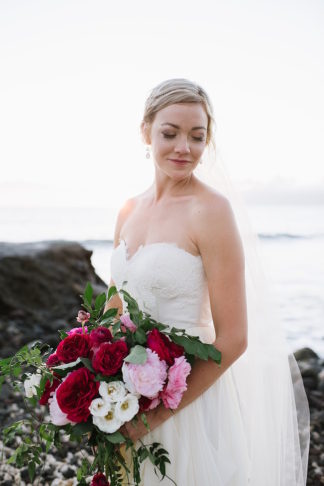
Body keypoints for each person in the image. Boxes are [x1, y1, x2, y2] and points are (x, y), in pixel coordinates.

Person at [105, 79, 310, 485]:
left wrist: (157, 415)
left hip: (190, 407)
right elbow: (115, 309)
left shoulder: (212, 211)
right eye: (170, 133)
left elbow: (233, 339)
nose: (184, 147)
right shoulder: (128, 209)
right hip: (127, 402)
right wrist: (96, 370)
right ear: (145, 131)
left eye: (197, 137)